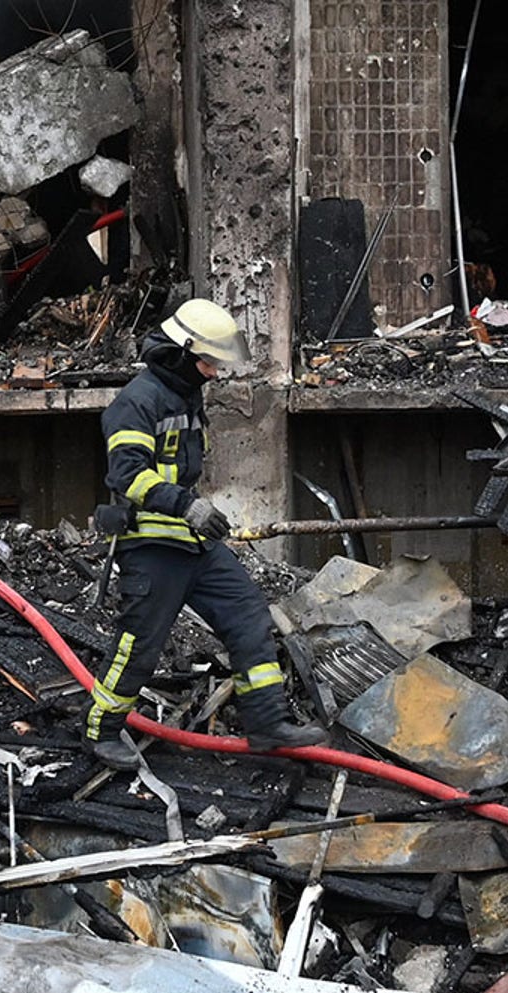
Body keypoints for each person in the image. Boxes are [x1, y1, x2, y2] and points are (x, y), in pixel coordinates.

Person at [82, 298, 331, 768]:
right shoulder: (137, 402)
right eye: (208, 362)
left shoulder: (184, 395)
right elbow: (127, 475)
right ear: (180, 354)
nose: (215, 373)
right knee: (140, 644)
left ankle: (266, 724)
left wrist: (193, 514)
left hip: (193, 544)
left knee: (248, 615)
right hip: (153, 546)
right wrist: (188, 506)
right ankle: (101, 730)